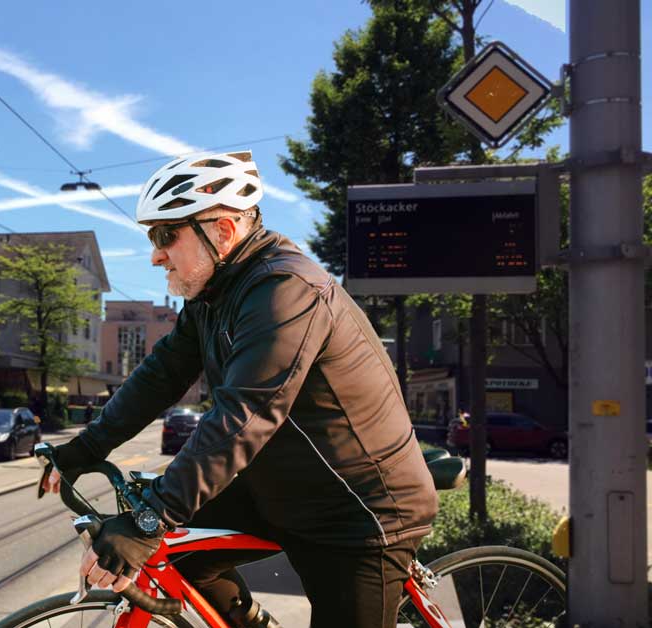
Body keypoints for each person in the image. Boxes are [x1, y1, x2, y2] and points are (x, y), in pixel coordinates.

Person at [38, 152, 438, 628]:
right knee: (176, 554)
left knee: (160, 530)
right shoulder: (214, 293)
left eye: (167, 235)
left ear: (223, 232)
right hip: (282, 487)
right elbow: (161, 374)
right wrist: (87, 445)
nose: (155, 254)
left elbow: (244, 414)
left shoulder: (285, 290)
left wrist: (151, 519)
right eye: (152, 237)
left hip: (357, 508)